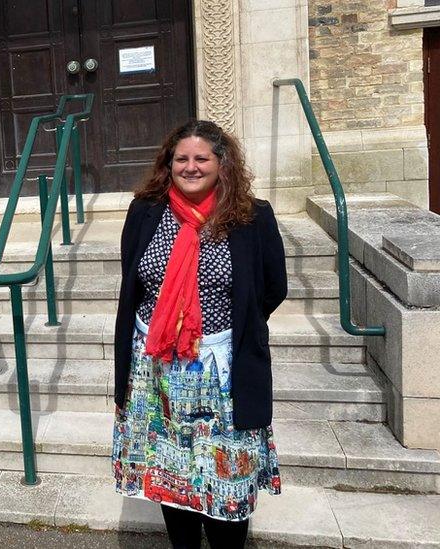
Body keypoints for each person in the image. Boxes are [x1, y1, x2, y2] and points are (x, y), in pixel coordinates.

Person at [110, 120, 287, 548]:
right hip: (157, 370)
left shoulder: (252, 217)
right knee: (173, 476)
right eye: (181, 159)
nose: (190, 167)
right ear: (168, 165)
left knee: (228, 483)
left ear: (221, 164)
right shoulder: (146, 211)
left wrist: (215, 328)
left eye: (201, 158)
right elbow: (134, 282)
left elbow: (272, 288)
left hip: (220, 371)